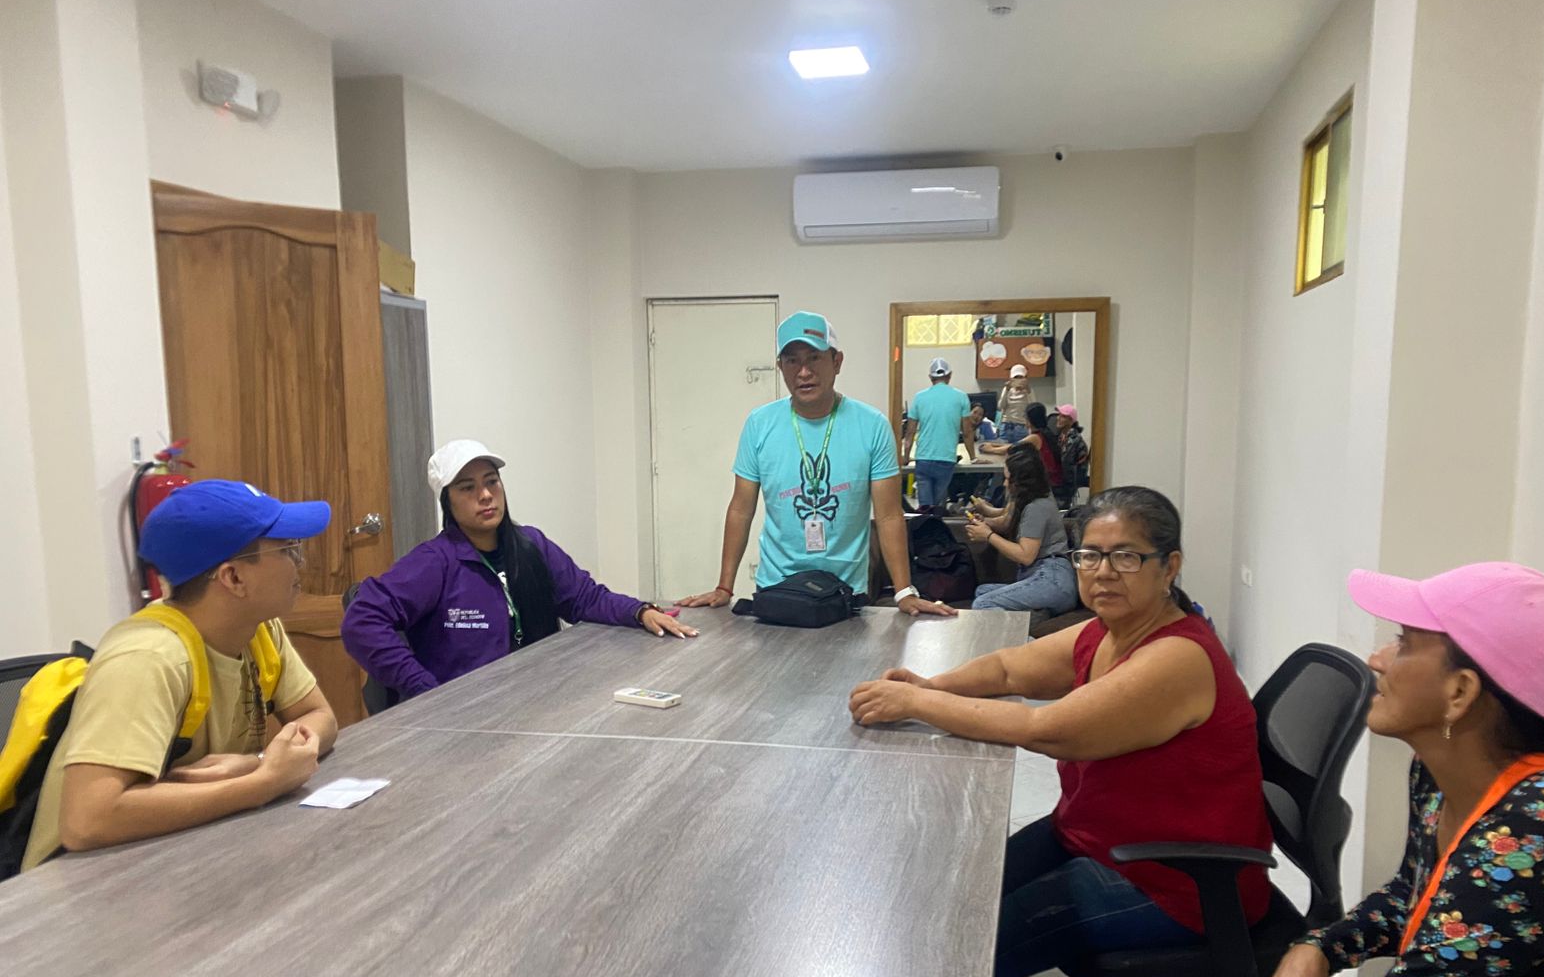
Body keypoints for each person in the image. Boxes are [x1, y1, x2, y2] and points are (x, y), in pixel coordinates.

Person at [1170, 562, 1544, 977]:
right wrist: (1322, 947)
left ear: (1460, 692)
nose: (1377, 658)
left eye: (1404, 642)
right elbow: (1412, 895)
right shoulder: (1439, 774)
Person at [848, 486, 1270, 977]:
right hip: (1096, 834)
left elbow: (1045, 729)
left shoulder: (1177, 657)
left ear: (1170, 567)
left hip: (1176, 882)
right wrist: (932, 686)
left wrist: (917, 704)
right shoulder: (1108, 630)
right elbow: (1009, 669)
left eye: (1127, 557)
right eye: (1090, 555)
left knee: (971, 948)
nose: (1103, 572)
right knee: (957, 897)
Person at [21, 480, 339, 870]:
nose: (300, 562)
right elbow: (87, 821)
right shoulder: (147, 659)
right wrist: (264, 783)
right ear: (233, 578)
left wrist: (259, 761)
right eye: (288, 549)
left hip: (178, 855)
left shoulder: (258, 630)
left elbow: (319, 717)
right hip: (81, 881)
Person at [343, 440, 693, 700]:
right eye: (467, 488)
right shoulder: (435, 561)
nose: (485, 495)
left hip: (538, 699)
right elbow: (362, 620)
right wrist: (423, 689)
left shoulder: (530, 545)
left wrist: (640, 611)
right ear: (448, 501)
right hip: (465, 718)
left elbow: (584, 598)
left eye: (492, 481)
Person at [677, 311, 955, 616]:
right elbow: (741, 509)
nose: (804, 372)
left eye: (814, 358)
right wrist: (724, 587)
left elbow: (888, 515)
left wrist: (904, 591)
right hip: (777, 588)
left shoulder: (872, 425)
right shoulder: (759, 424)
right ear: (780, 367)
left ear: (837, 362)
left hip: (846, 593)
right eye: (792, 360)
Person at [964, 446, 1078, 614]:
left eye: (1008, 479)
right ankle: (1034, 617)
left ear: (1021, 482)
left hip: (1052, 577)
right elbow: (1007, 521)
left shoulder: (1037, 507)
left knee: (983, 603)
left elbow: (1025, 556)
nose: (1004, 484)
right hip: (1045, 575)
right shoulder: (1033, 499)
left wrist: (988, 535)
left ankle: (1025, 628)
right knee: (982, 591)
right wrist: (985, 523)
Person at [901, 356, 976, 508]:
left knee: (925, 506)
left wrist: (906, 457)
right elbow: (967, 432)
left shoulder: (919, 397)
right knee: (938, 506)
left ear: (930, 377)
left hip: (923, 458)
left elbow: (910, 433)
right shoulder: (961, 397)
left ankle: (925, 519)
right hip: (946, 459)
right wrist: (973, 458)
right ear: (949, 375)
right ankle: (936, 519)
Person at [1057, 403, 1090, 504]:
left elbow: (1065, 463)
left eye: (1063, 416)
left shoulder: (1074, 440)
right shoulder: (1061, 437)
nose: (1058, 418)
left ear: (1071, 421)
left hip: (1067, 487)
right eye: (1059, 415)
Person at [995, 364, 1032, 444]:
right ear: (1011, 378)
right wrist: (1007, 390)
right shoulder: (1007, 389)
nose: (1018, 380)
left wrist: (1028, 390)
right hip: (1006, 425)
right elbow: (1000, 406)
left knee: (1020, 450)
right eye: (1016, 377)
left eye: (1021, 377)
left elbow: (1032, 408)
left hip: (1021, 426)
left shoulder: (1028, 391)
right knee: (1003, 449)